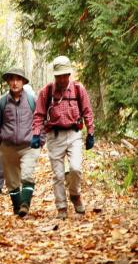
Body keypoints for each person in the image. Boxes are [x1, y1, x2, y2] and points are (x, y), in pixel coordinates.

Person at [31, 56, 95, 219]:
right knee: (58, 174)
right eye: (58, 75)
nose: (61, 78)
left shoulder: (79, 89)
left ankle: (75, 195)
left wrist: (90, 133)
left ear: (69, 74)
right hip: (54, 136)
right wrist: (36, 134)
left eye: (64, 75)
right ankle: (61, 207)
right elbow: (38, 114)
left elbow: (87, 111)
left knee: (75, 168)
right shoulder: (47, 91)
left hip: (74, 134)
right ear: (54, 75)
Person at [0, 67, 39, 217]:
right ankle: (17, 208)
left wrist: (41, 138)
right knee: (12, 181)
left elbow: (40, 120)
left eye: (18, 79)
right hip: (7, 147)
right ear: (8, 82)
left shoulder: (32, 100)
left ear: (23, 82)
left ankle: (25, 205)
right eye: (12, 79)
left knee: (27, 174)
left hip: (28, 145)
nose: (15, 83)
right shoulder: (1, 102)